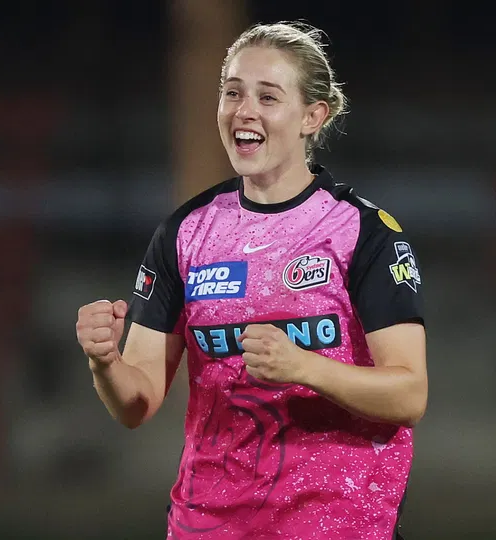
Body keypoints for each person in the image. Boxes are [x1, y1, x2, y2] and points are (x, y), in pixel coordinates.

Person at [76, 21, 427, 539]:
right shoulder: (184, 233)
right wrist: (105, 362)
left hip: (342, 527)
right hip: (208, 527)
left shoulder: (363, 233)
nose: (244, 110)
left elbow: (409, 394)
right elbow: (138, 402)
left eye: (268, 96)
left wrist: (303, 366)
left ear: (313, 116)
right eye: (233, 92)